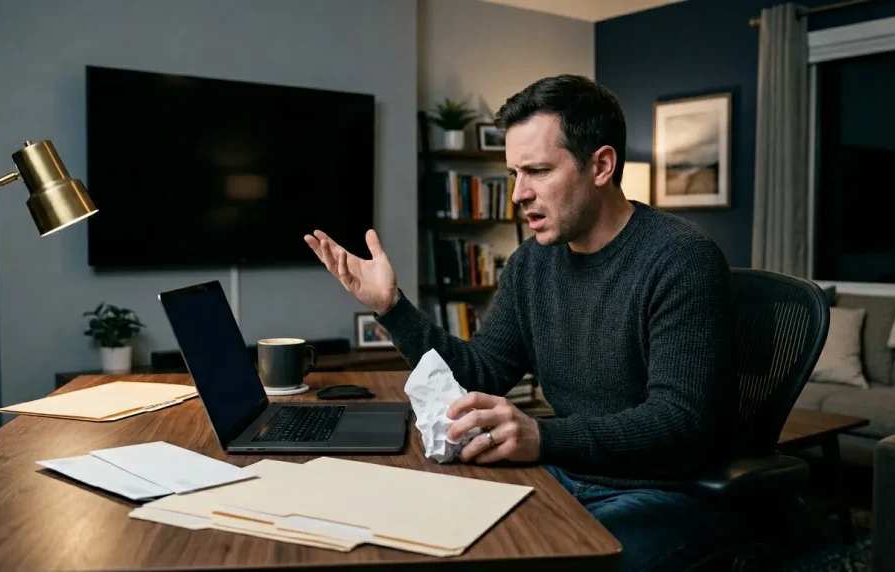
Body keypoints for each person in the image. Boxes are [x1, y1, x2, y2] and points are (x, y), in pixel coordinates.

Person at [304, 74, 741, 571]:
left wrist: (543, 437)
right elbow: (482, 373)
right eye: (514, 173)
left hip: (667, 492)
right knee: (433, 532)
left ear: (601, 165)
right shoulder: (532, 263)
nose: (517, 194)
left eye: (536, 171)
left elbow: (680, 421)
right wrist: (391, 307)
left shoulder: (681, 259)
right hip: (569, 472)